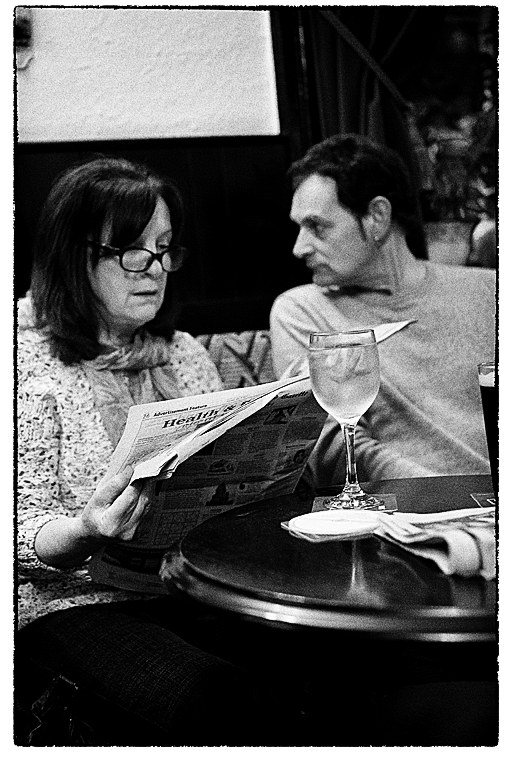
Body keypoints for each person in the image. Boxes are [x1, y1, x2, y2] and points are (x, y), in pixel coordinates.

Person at [15, 157, 274, 746]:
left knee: (317, 662)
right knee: (210, 695)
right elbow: (14, 529)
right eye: (133, 250)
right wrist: (85, 529)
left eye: (163, 249)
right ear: (72, 255)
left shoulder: (182, 354)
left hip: (191, 588)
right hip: (68, 603)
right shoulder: (22, 360)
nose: (155, 269)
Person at [270, 134, 496, 486]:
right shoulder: (303, 311)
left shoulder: (489, 290)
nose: (299, 248)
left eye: (317, 226)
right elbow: (334, 452)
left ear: (377, 216)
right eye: (299, 227)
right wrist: (455, 499)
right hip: (405, 510)